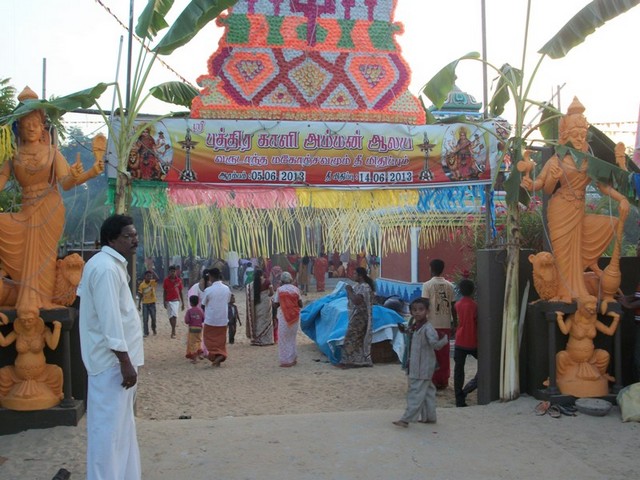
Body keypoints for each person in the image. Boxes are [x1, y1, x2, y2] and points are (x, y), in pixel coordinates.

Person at [0, 86, 104, 312]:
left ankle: (43, 300)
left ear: (42, 127)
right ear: (19, 127)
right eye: (26, 124)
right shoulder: (13, 155)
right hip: (26, 208)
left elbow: (66, 182)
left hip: (49, 208)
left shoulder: (52, 152)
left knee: (44, 258)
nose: (31, 128)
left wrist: (89, 172)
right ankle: (19, 290)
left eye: (35, 123)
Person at [520, 97, 629, 303]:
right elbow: (544, 186)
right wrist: (531, 183)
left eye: (582, 134)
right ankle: (565, 292)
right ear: (565, 135)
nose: (579, 138)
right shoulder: (557, 160)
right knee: (563, 254)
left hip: (578, 208)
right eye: (575, 134)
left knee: (606, 227)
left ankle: (577, 289)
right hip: (560, 208)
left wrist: (621, 198)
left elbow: (603, 186)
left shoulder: (589, 161)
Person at [78, 214, 144, 479]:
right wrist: (125, 362)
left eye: (135, 235)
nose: (134, 240)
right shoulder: (105, 268)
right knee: (107, 432)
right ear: (111, 240)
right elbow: (110, 321)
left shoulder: (111, 265)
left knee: (122, 429)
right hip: (111, 365)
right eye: (128, 236)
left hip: (120, 363)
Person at [393, 297, 449, 428]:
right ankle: (429, 417)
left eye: (421, 309)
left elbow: (435, 345)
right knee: (428, 391)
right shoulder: (415, 326)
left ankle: (406, 419)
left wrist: (444, 339)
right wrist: (404, 330)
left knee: (415, 392)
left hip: (422, 367)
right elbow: (411, 334)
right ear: (411, 311)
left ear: (427, 311)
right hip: (420, 366)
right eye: (414, 310)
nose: (417, 312)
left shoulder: (428, 328)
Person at [421, 259, 455, 389]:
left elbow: (424, 305)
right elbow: (453, 306)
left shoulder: (427, 285)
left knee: (431, 354)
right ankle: (443, 380)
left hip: (431, 324)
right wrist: (455, 323)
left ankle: (433, 380)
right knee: (444, 355)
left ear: (431, 269)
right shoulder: (450, 286)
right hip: (445, 324)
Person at [340, 267, 375, 368]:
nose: (353, 276)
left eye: (355, 274)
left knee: (351, 337)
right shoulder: (358, 286)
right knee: (355, 338)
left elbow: (357, 301)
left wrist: (349, 290)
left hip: (361, 317)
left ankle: (351, 361)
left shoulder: (364, 287)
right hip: (357, 315)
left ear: (360, 276)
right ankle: (356, 360)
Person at [453, 279, 478, 407]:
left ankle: (459, 398)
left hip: (460, 340)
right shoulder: (475, 306)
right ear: (473, 291)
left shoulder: (457, 305)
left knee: (458, 371)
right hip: (473, 341)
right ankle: (470, 387)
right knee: (484, 365)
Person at [201, 268, 231, 367]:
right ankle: (219, 357)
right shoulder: (226, 288)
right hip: (223, 319)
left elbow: (203, 304)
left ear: (211, 276)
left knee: (208, 341)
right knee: (220, 342)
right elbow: (228, 301)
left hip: (211, 319)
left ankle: (218, 356)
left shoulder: (208, 290)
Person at [273, 272, 303, 367]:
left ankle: (286, 361)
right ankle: (293, 358)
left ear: (281, 281)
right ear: (290, 279)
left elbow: (275, 304)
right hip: (294, 317)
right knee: (292, 338)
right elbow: (300, 304)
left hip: (284, 317)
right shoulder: (296, 289)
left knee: (283, 338)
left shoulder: (279, 290)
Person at [246, 269, 275, 346]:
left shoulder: (252, 284)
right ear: (262, 274)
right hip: (265, 302)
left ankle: (257, 338)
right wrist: (267, 295)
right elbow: (272, 292)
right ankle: (267, 340)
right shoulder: (267, 282)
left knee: (258, 320)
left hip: (257, 303)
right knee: (266, 320)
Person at [163, 265, 184, 339]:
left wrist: (183, 303)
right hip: (168, 300)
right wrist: (164, 301)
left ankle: (173, 331)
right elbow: (164, 291)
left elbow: (180, 292)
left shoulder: (179, 281)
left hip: (176, 300)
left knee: (174, 315)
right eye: (171, 271)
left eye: (174, 271)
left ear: (176, 272)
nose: (173, 273)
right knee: (170, 316)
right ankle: (173, 329)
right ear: (169, 272)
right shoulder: (166, 280)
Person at [184, 295, 205, 364]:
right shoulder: (200, 310)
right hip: (199, 328)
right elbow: (203, 319)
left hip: (192, 328)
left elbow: (187, 321)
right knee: (198, 341)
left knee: (192, 343)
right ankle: (200, 354)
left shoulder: (189, 311)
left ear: (191, 303)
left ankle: (194, 358)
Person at [137, 270, 158, 337]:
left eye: (150, 276)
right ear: (145, 277)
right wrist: (139, 304)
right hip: (145, 303)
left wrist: (152, 271)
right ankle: (146, 332)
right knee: (145, 319)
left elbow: (157, 278)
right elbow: (140, 295)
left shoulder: (152, 282)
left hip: (152, 303)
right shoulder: (142, 285)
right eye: (148, 276)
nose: (149, 277)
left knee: (153, 318)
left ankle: (153, 328)